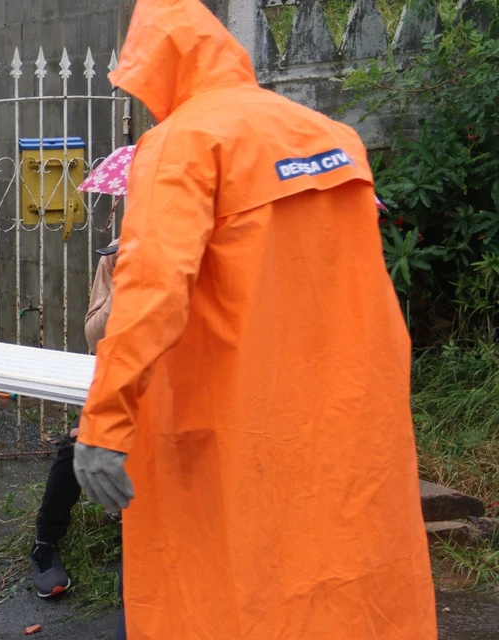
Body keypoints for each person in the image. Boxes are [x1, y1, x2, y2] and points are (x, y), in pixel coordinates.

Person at [72, 0, 437, 638]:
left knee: (231, 586)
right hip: (347, 413)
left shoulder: (184, 143)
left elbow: (150, 295)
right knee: (345, 574)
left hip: (235, 418)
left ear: (160, 68)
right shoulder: (333, 138)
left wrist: (104, 426)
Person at [30, 239, 118, 600]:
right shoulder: (118, 253)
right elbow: (96, 336)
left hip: (191, 378)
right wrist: (126, 281)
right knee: (80, 440)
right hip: (125, 370)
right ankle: (45, 543)